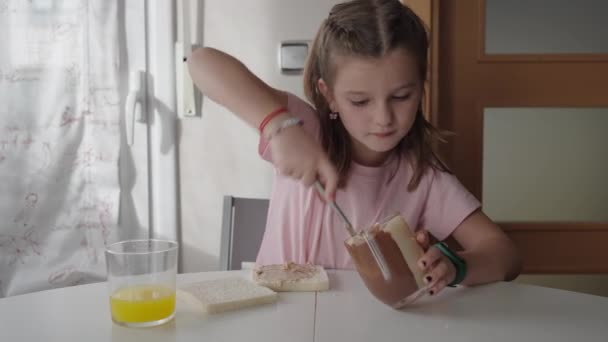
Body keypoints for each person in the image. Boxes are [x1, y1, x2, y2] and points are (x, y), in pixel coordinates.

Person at [188, 0, 521, 296]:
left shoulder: (424, 179)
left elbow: (505, 255)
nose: (383, 118)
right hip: (277, 320)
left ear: (421, 87)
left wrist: (456, 266)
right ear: (328, 93)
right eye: (360, 101)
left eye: (401, 97)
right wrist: (276, 125)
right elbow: (201, 62)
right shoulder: (305, 129)